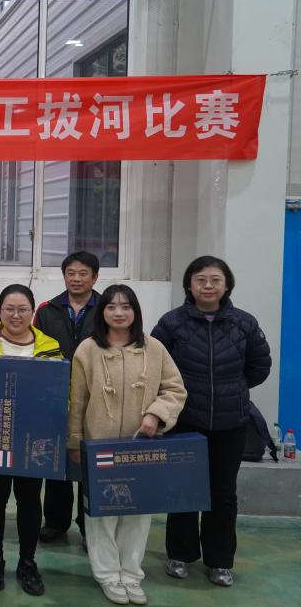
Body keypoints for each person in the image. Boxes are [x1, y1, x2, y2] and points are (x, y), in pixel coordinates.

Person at [151, 256, 271, 588]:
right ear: (189, 285)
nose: (208, 286)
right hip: (185, 420)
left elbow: (259, 366)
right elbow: (155, 366)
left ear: (226, 285)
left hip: (231, 423)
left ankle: (220, 561)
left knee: (223, 493)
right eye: (200, 279)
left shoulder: (244, 323)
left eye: (215, 280)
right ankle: (180, 554)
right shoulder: (171, 323)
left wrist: (232, 389)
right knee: (183, 490)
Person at [68, 284, 187, 605]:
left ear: (135, 311)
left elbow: (175, 390)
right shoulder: (87, 350)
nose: (119, 313)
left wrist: (156, 415)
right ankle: (108, 574)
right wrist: (75, 441)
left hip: (142, 445)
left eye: (126, 306)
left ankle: (132, 575)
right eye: (111, 307)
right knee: (102, 514)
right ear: (102, 312)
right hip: (101, 446)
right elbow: (77, 401)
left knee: (138, 511)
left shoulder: (154, 348)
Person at [0, 284, 63, 596]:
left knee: (30, 500)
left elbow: (62, 387)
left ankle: (27, 562)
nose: (16, 315)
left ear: (32, 311)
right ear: (0, 311)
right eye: (9, 309)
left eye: (23, 309)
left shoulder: (49, 347)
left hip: (34, 441)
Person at [35, 251, 102, 546]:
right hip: (56, 397)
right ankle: (56, 522)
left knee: (90, 465)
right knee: (57, 464)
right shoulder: (48, 310)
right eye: (71, 273)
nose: (76, 279)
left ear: (95, 277)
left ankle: (89, 525)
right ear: (64, 276)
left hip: (95, 398)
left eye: (83, 273)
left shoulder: (105, 308)